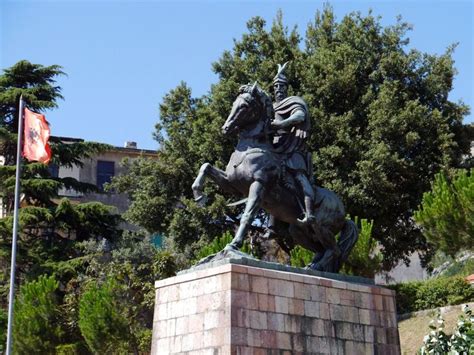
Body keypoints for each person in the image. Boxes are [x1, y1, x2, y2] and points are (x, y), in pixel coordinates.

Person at [270, 62, 315, 223]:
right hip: (274, 149)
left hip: (291, 149)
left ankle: (309, 213)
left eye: (281, 87)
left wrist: (282, 124)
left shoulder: (292, 102)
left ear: (286, 88)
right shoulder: (271, 106)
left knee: (300, 178)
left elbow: (299, 116)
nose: (279, 90)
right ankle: (272, 225)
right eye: (276, 87)